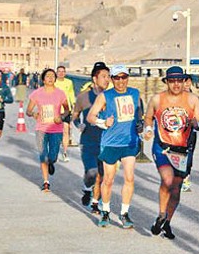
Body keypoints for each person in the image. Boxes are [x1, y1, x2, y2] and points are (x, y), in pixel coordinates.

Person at [144, 66, 199, 239]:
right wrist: (148, 129)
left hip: (183, 150)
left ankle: (167, 222)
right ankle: (162, 214)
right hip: (162, 147)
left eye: (179, 80)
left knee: (176, 189)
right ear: (167, 82)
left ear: (184, 81)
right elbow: (148, 117)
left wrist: (196, 124)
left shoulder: (192, 99)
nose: (176, 84)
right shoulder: (157, 99)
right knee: (167, 179)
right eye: (172, 81)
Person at [87, 65, 142, 228]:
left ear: (128, 78)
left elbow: (139, 112)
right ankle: (105, 211)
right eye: (117, 78)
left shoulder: (135, 93)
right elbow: (90, 116)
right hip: (110, 143)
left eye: (124, 77)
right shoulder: (105, 96)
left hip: (129, 142)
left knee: (129, 177)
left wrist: (141, 125)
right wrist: (103, 122)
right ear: (112, 79)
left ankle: (124, 214)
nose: (121, 81)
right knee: (108, 180)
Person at [72, 61, 111, 212]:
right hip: (88, 141)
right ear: (95, 79)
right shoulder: (83, 98)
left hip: (106, 141)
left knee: (102, 174)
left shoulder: (111, 97)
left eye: (108, 76)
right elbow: (75, 115)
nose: (107, 79)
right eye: (103, 76)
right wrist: (78, 124)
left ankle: (95, 203)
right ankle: (87, 188)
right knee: (92, 172)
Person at [26, 68, 70, 192]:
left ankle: (52, 162)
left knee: (53, 155)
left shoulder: (60, 93)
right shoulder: (37, 93)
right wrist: (33, 114)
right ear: (43, 79)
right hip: (41, 129)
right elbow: (28, 111)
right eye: (48, 76)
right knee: (42, 155)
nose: (50, 78)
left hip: (56, 129)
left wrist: (61, 117)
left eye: (52, 76)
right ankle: (46, 182)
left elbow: (67, 109)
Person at [55, 65, 76, 162]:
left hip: (66, 110)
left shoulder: (69, 82)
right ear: (56, 72)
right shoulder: (53, 82)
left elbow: (71, 94)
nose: (61, 73)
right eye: (59, 71)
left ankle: (64, 152)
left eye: (63, 71)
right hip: (55, 110)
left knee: (66, 131)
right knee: (54, 132)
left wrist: (74, 104)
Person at [181, 74, 197, 192]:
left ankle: (186, 178)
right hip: (177, 133)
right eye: (184, 82)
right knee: (178, 155)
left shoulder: (194, 97)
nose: (187, 84)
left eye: (188, 82)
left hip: (191, 131)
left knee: (189, 157)